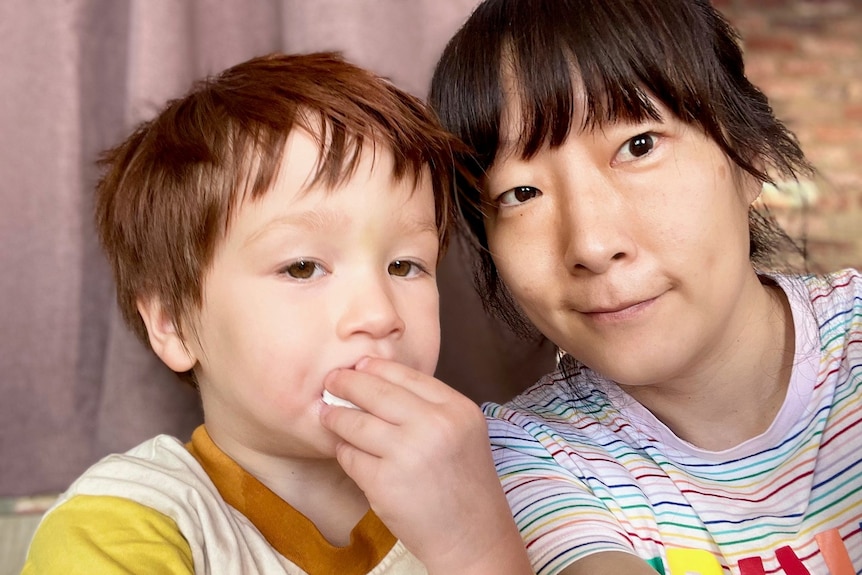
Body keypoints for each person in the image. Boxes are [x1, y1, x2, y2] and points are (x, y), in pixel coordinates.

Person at [21, 52, 532, 575]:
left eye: (404, 265)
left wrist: (480, 549)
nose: (379, 315)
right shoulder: (124, 525)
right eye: (303, 267)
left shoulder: (493, 486)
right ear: (172, 323)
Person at [428, 1, 862, 574]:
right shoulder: (528, 454)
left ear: (749, 155)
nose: (589, 245)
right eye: (521, 193)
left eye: (638, 146)